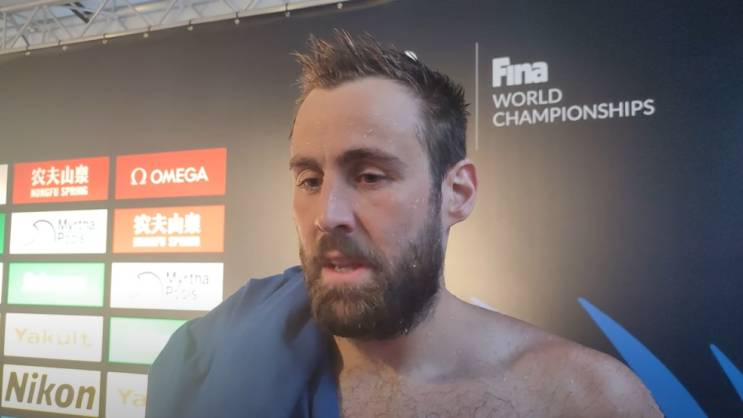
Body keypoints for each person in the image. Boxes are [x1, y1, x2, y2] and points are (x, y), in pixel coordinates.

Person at [146, 31, 662, 418]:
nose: (327, 215)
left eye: (370, 176)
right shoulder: (211, 357)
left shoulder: (583, 399)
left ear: (457, 193)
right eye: (309, 180)